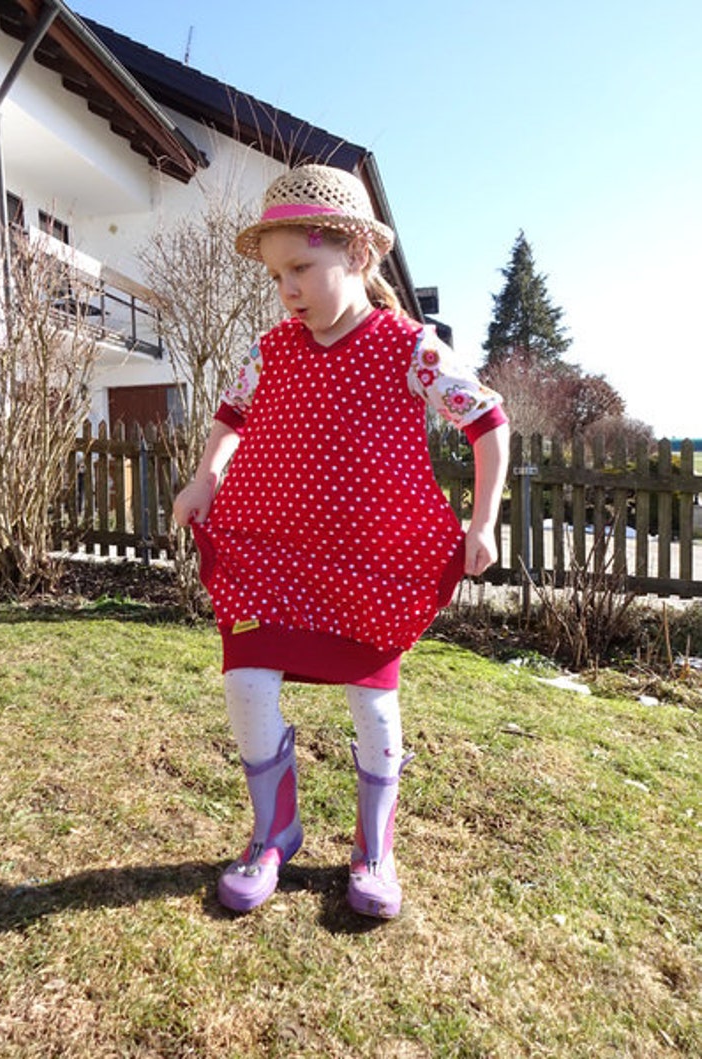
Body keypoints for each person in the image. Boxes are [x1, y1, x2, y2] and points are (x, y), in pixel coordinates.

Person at [173, 164, 509, 919]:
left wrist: (481, 520)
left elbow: (490, 423)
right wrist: (205, 480)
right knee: (247, 682)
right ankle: (274, 830)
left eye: (301, 268)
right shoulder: (272, 349)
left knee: (373, 704)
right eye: (277, 275)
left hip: (371, 563)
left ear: (357, 254)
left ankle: (373, 847)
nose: (288, 288)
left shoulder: (410, 347)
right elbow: (232, 416)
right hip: (273, 550)